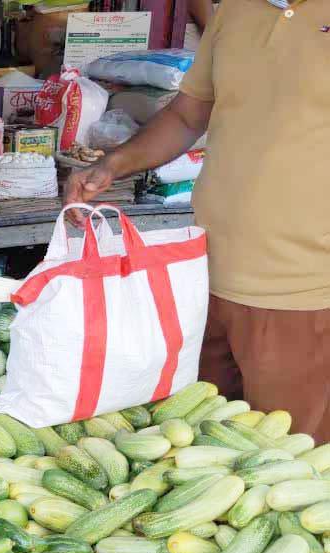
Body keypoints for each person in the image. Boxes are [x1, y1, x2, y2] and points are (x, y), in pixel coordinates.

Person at [64, 0, 330, 439]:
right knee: (199, 459)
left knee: (286, 472)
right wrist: (112, 165)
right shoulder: (235, 11)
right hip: (204, 276)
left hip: (302, 294)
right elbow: (188, 115)